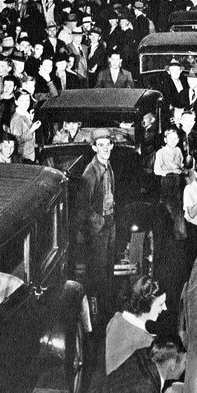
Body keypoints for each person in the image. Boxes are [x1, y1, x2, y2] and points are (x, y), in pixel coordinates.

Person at [81, 334, 186, 393]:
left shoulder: (143, 355)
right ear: (172, 365)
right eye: (185, 363)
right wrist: (184, 391)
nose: (186, 367)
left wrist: (179, 386)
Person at [82, 129, 117, 324]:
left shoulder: (107, 166)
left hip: (109, 222)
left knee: (107, 269)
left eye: (108, 144)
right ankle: (97, 317)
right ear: (94, 147)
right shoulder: (91, 171)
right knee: (97, 273)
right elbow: (82, 206)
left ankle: (106, 312)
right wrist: (100, 222)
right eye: (100, 145)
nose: (105, 148)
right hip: (99, 228)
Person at [104, 277, 168, 374]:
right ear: (147, 305)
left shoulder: (115, 320)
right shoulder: (146, 341)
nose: (165, 308)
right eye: (160, 304)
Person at [7, 90, 42, 162]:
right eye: (22, 100)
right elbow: (17, 140)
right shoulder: (16, 119)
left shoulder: (25, 114)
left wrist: (30, 120)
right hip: (23, 157)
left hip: (30, 155)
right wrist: (32, 129)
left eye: (27, 100)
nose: (26, 103)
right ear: (16, 102)